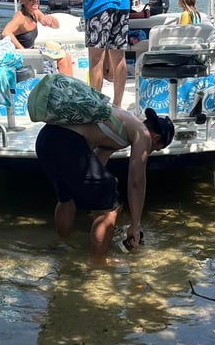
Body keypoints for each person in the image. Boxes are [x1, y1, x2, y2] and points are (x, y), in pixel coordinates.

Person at [35, 103, 175, 265]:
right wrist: (135, 225)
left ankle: (63, 246)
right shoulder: (142, 134)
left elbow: (98, 161)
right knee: (111, 205)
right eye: (156, 149)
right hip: (67, 143)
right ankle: (98, 261)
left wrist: (96, 207)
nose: (150, 151)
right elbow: (136, 182)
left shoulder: (122, 124)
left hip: (46, 139)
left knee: (67, 198)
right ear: (156, 139)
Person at [1, 0, 74, 76]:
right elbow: (5, 33)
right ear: (22, 1)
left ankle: (70, 86)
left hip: (32, 51)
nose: (35, 0)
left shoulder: (35, 13)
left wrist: (50, 19)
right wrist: (23, 51)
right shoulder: (20, 17)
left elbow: (56, 26)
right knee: (62, 60)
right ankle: (67, 88)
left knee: (66, 56)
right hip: (24, 57)